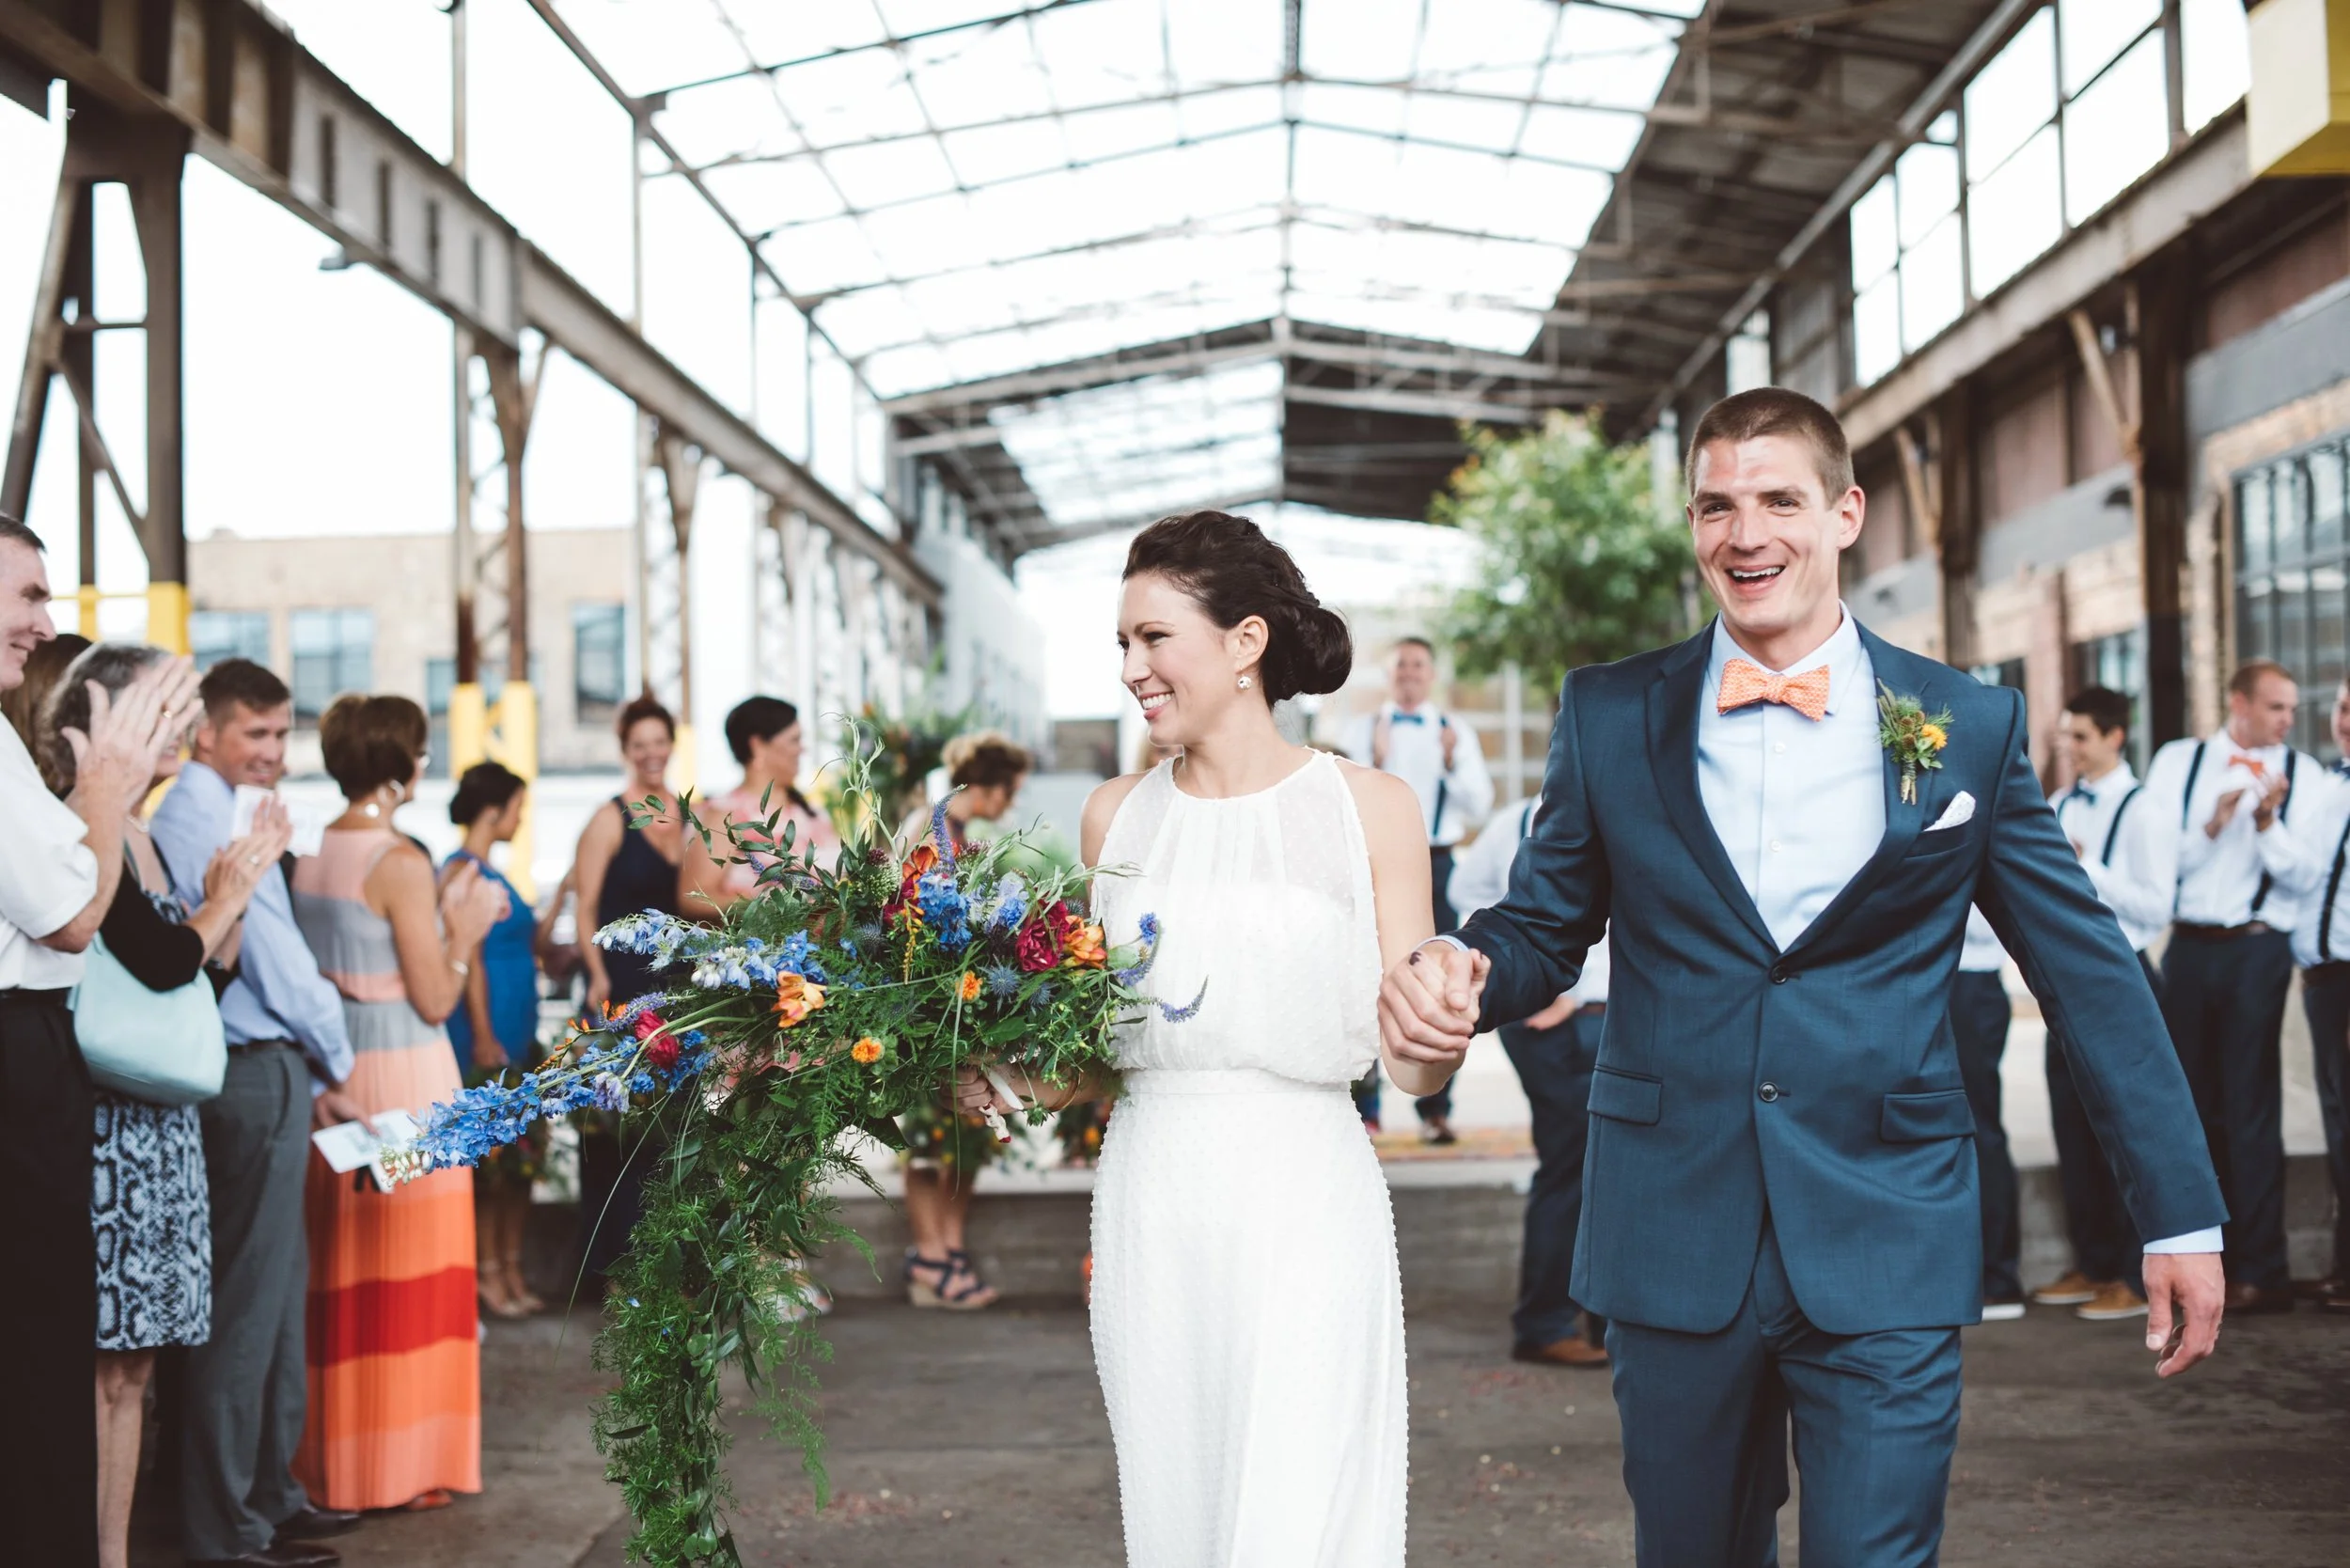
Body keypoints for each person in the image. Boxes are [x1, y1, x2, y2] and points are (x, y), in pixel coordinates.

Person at [1382, 388, 2227, 1568]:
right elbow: (1543, 926)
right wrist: (1465, 959)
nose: (1745, 535)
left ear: (1844, 514)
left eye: (1778, 499)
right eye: (1715, 506)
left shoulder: (1964, 723)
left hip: (1888, 1225)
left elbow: (2087, 973)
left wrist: (2177, 1212)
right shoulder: (1610, 710)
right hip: (1672, 1225)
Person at [957, 509, 1465, 1564]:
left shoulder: (1370, 806)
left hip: (1305, 1194)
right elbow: (1093, 1050)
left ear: (1245, 643)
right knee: (1179, 1512)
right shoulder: (1114, 818)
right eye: (1122, 644)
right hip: (1155, 1194)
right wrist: (987, 1070)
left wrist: (1442, 1027)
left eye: (1154, 638)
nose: (1134, 667)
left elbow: (1413, 1060)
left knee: (1301, 1508)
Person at [42, 642, 292, 1568]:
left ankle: (116, 1548)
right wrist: (225, 899)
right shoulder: (89, 823)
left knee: (138, 1372)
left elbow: (192, 987)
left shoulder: (140, 834)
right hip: (112, 1123)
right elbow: (158, 962)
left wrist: (232, 902)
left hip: (161, 1119)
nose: (182, 730)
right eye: (163, 711)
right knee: (108, 1370)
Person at [0, 516, 199, 1568]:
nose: (45, 622)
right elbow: (75, 917)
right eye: (28, 595)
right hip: (22, 1053)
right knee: (44, 1360)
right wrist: (110, 782)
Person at [151, 658, 367, 1568]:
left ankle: (267, 1498)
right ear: (206, 731)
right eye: (256, 735)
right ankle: (222, 1527)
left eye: (283, 736)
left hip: (268, 1062)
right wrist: (340, 1057)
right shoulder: (203, 807)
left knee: (275, 1301)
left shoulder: (222, 804)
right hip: (250, 1062)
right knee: (245, 1307)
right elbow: (273, 959)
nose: (274, 755)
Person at [289, 695, 505, 1513]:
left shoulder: (312, 849)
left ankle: (330, 1464)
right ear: (400, 761)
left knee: (339, 1268)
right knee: (413, 1262)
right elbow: (436, 996)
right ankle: (405, 1468)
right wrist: (467, 932)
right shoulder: (401, 860)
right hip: (409, 1087)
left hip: (336, 1079)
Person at [2138, 659, 2317, 1314]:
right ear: (2238, 703)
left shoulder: (2308, 776)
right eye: (2276, 707)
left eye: (2292, 709)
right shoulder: (2177, 764)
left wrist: (2267, 824)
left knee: (2250, 1110)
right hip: (2187, 947)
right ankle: (2193, 1259)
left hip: (2255, 951)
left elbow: (2305, 878)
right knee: (2188, 1109)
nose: (2288, 720)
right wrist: (2211, 826)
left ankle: (2262, 1269)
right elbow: (2160, 861)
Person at [1447, 792, 1609, 1368]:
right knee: (1573, 1164)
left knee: (1609, 1168)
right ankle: (1546, 1323)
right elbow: (1468, 892)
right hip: (1553, 1021)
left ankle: (1601, 1317)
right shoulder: (1513, 821)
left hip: (1608, 1014)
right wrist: (1541, 976)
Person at [2032, 685, 2166, 1322]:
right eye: (2066, 737)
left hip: (2124, 977)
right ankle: (2092, 1262)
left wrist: (2090, 868)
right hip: (2066, 979)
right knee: (2071, 1126)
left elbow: (2154, 906)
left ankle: (2134, 1277)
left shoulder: (2145, 809)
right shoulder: (2058, 802)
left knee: (2125, 1129)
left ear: (2115, 736)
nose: (2071, 749)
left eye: (2080, 737)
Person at [896, 730, 1032, 1310]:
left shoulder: (956, 834)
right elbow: (901, 914)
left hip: (957, 1012)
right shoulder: (928, 828)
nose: (1010, 804)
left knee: (960, 1142)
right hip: (926, 1016)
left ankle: (947, 1252)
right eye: (1011, 791)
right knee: (929, 1140)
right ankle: (930, 1257)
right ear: (990, 784)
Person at [1342, 636, 1493, 1144]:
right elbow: (1343, 800)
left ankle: (1436, 1109)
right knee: (1365, 973)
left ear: (1431, 675)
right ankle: (1367, 1109)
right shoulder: (1362, 731)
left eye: (1418, 665)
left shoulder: (1455, 732)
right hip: (1369, 862)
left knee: (1439, 975)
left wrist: (1452, 762)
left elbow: (1479, 806)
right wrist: (1376, 757)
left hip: (1438, 859)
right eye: (1401, 664)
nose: (1409, 673)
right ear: (1391, 673)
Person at [443, 761, 546, 1319]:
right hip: (487, 1040)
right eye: (517, 807)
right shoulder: (462, 874)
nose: (520, 817)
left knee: (521, 1161)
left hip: (518, 1036)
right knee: (492, 1162)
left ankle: (508, 1266)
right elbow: (471, 956)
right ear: (494, 809)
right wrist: (482, 1034)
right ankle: (486, 1271)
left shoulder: (493, 873)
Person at [2286, 676, 2350, 1315]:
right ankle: (2342, 1265)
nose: (2345, 720)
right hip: (2322, 980)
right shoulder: (2328, 786)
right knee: (2338, 1126)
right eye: (2342, 707)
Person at [679, 695, 840, 916]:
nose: (802, 750)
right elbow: (693, 898)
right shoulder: (723, 816)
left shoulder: (813, 813)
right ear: (758, 746)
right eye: (794, 740)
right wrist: (769, 907)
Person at [574, 695, 683, 1013]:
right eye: (639, 745)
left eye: (659, 742)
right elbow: (585, 908)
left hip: (682, 980)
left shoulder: (692, 816)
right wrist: (596, 975)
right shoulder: (607, 820)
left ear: (672, 746)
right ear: (625, 752)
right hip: (621, 979)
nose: (651, 753)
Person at [1950, 907, 2021, 1318]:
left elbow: (1983, 921)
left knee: (1980, 1129)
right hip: (1932, 981)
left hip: (1972, 985)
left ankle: (1998, 1277)